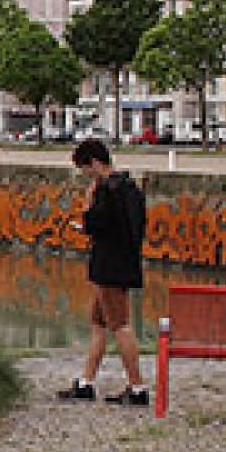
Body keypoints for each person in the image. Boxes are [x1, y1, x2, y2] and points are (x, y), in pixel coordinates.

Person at [59, 136, 149, 406]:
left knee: (120, 325)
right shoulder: (131, 188)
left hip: (109, 265)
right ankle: (86, 382)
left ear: (95, 163)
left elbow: (95, 224)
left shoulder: (106, 191)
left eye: (85, 169)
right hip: (125, 260)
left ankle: (137, 388)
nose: (85, 176)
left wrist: (87, 205)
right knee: (98, 322)